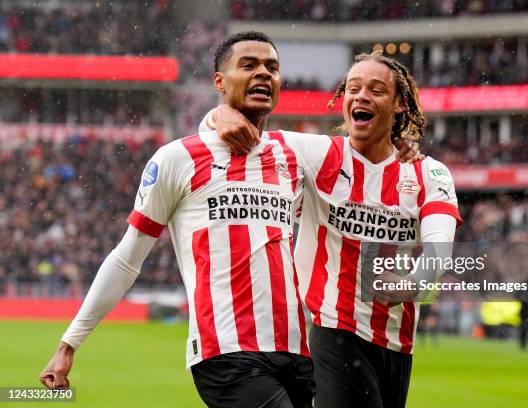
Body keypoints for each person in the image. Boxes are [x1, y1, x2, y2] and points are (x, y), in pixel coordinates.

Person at [39, 31, 419, 408]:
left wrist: (402, 143)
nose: (263, 74)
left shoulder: (295, 155)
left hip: (297, 354)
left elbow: (367, 147)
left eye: (272, 67)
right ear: (219, 82)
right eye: (248, 65)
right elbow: (126, 258)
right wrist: (69, 343)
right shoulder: (177, 159)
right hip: (225, 351)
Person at [203, 50, 462, 407]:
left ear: (400, 104)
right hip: (334, 331)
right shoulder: (317, 154)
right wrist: (219, 113)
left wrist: (415, 285)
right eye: (353, 88)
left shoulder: (429, 174)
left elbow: (439, 249)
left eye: (376, 90)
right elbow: (231, 135)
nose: (361, 96)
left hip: (398, 343)